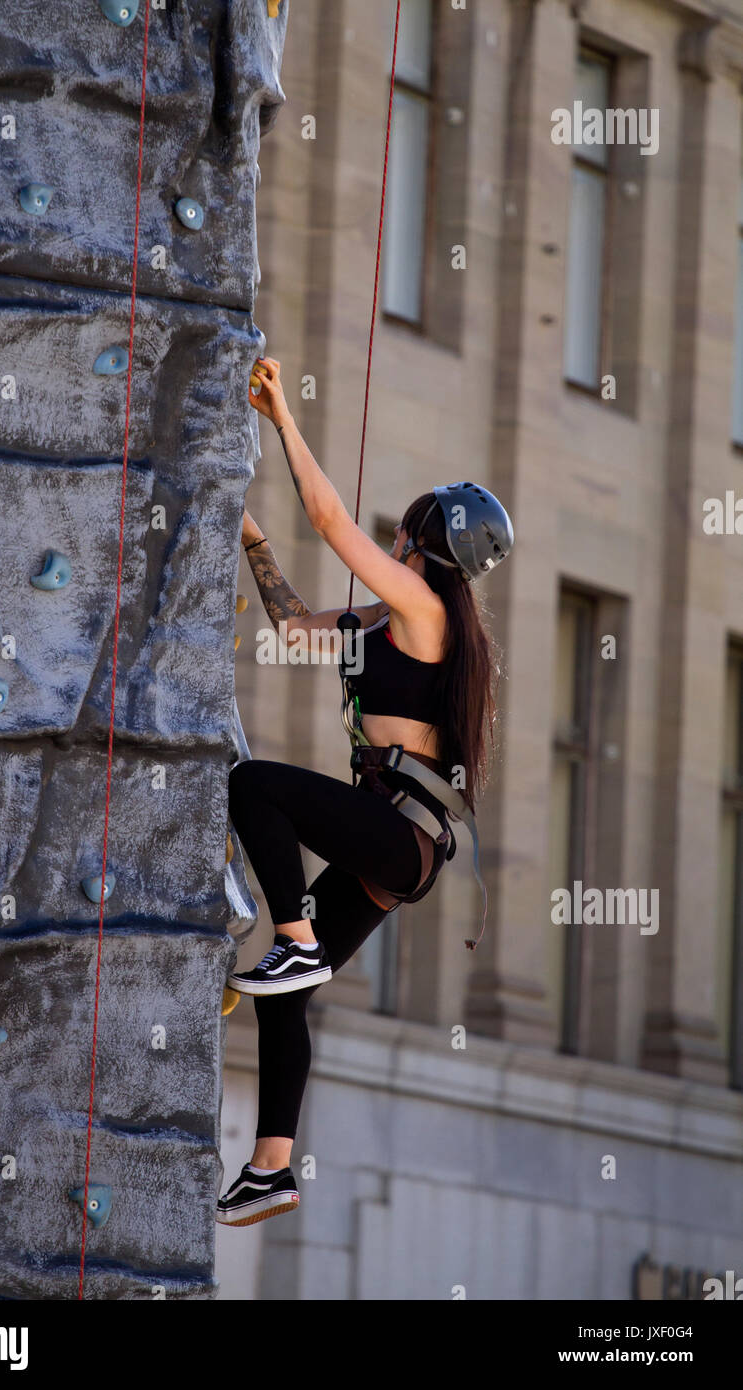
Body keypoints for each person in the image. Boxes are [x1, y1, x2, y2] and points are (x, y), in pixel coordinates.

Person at [216, 356, 513, 1228]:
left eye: (403, 536)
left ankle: (296, 937)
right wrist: (252, 543)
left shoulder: (425, 613)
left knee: (253, 786)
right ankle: (272, 1166)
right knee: (284, 995)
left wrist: (281, 419)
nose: (389, 544)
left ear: (423, 551)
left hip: (399, 840)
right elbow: (292, 630)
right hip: (395, 850)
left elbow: (331, 518)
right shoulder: (385, 626)